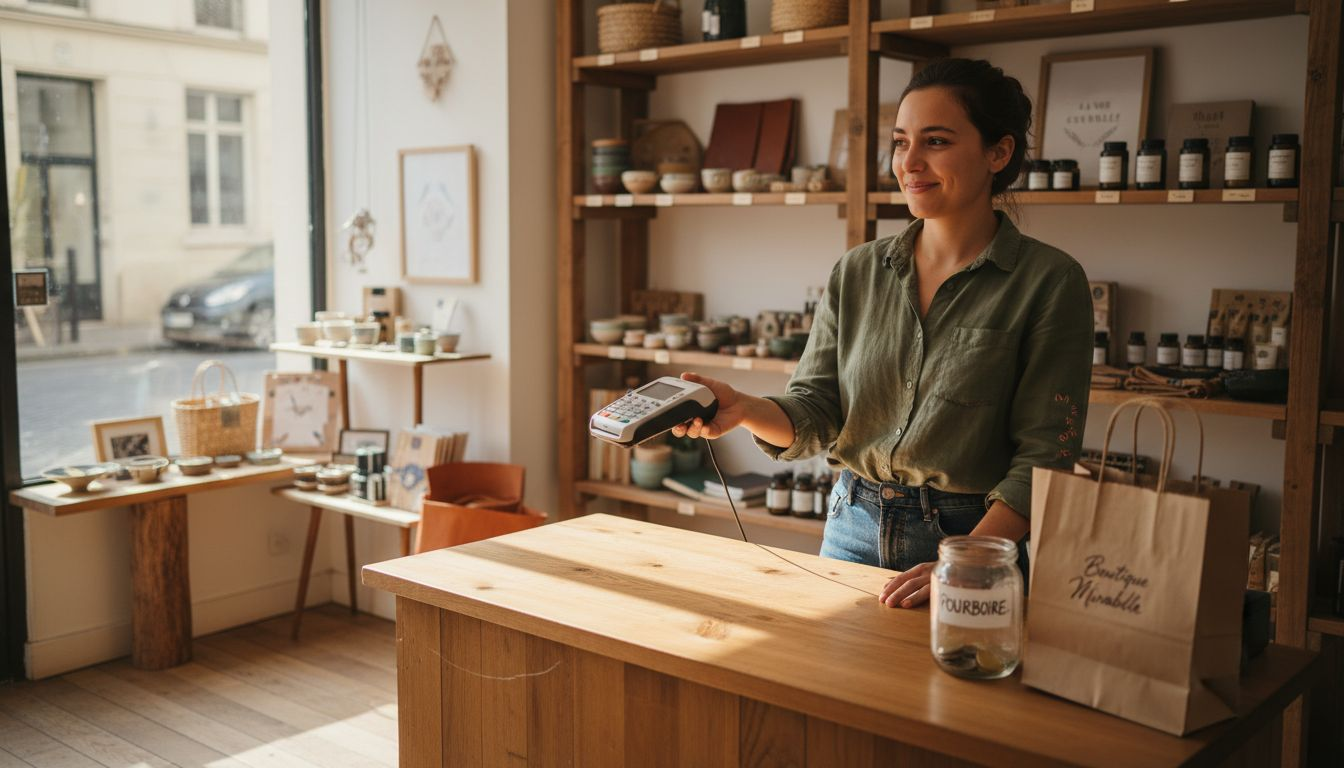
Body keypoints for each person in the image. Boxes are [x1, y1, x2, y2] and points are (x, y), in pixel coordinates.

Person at [671, 58, 1093, 608]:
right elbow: (818, 412)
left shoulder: (1050, 282)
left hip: (976, 540)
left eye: (936, 141)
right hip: (850, 524)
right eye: (900, 142)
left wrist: (965, 557)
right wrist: (743, 407)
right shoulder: (858, 271)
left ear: (999, 152)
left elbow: (1045, 459)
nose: (909, 163)